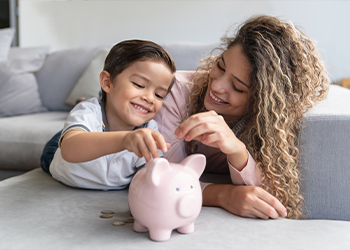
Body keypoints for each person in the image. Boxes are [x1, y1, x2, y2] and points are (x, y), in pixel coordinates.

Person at [154, 15, 330, 219]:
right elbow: (165, 178)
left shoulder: (274, 123)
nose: (217, 85)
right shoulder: (176, 93)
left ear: (261, 102)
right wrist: (223, 195)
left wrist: (237, 150)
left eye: (237, 87)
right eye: (220, 66)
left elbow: (276, 195)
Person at [46, 39, 176, 190]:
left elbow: (151, 178)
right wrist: (125, 140)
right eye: (139, 85)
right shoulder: (89, 112)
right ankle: (77, 117)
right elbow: (69, 149)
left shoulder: (149, 131)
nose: (150, 98)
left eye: (159, 95)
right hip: (59, 152)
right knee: (66, 136)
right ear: (107, 82)